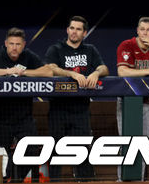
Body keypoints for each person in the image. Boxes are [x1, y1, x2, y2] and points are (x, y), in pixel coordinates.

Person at [45, 16, 109, 181]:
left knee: (83, 149)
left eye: (78, 29)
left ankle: (85, 180)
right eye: (72, 28)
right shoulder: (56, 49)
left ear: (84, 33)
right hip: (58, 108)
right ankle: (54, 181)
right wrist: (72, 73)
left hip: (81, 109)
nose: (74, 32)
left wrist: (95, 72)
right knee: (55, 149)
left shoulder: (90, 50)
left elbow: (104, 68)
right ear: (67, 30)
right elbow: (51, 68)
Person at [0, 28, 52, 181]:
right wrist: (8, 71)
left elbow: (48, 72)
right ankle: (3, 178)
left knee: (32, 149)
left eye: (18, 44)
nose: (14, 47)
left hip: (24, 118)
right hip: (0, 119)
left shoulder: (28, 57)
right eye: (11, 44)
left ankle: (15, 180)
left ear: (23, 45)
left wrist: (25, 72)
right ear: (6, 43)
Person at [116, 16, 149, 180]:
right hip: (127, 101)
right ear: (137, 30)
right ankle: (121, 179)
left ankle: (140, 180)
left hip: (148, 101)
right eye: (142, 29)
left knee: (143, 144)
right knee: (126, 144)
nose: (145, 33)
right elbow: (122, 72)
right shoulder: (127, 45)